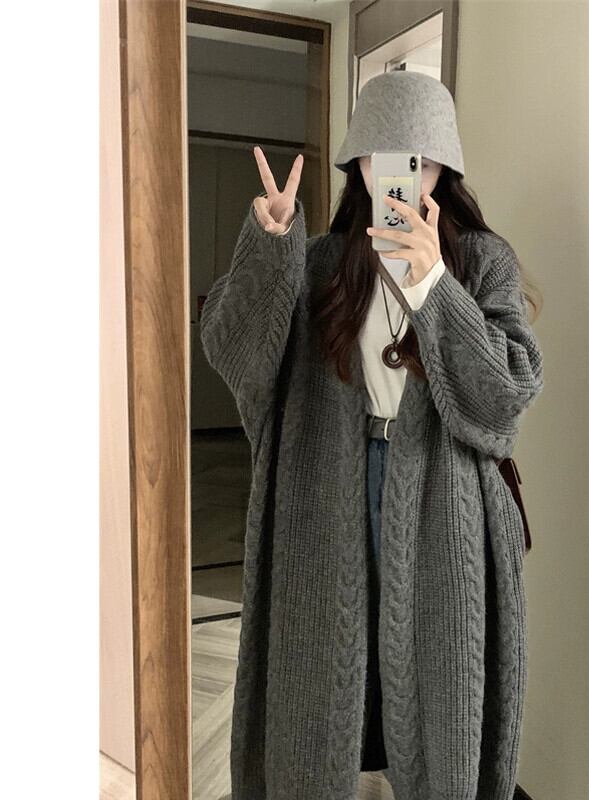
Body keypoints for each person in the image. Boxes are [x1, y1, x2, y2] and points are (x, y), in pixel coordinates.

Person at [200, 70, 544, 800]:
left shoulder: (481, 260)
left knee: (436, 669)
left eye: (420, 158)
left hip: (445, 506)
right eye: (383, 155)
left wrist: (432, 285)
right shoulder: (318, 260)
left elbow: (507, 394)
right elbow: (237, 354)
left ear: (444, 165)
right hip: (329, 486)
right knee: (329, 661)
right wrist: (268, 241)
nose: (402, 173)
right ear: (357, 161)